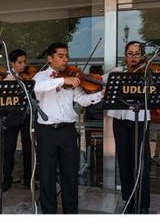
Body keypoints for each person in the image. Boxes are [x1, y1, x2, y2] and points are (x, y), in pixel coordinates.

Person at [34, 42, 102, 213]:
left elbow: (81, 99)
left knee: (70, 175)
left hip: (68, 131)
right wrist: (62, 80)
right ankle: (49, 213)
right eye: (61, 56)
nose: (65, 59)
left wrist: (101, 94)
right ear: (50, 58)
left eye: (67, 56)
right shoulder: (40, 77)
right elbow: (36, 88)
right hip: (47, 132)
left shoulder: (72, 77)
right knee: (47, 175)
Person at [104, 41, 155, 213]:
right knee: (124, 161)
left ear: (142, 55)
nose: (133, 57)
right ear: (125, 55)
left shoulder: (147, 71)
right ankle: (129, 199)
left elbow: (156, 89)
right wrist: (83, 77)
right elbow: (101, 82)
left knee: (140, 163)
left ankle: (144, 203)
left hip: (140, 120)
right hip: (120, 120)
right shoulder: (117, 72)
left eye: (137, 53)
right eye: (130, 53)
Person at [2, 49, 33, 191]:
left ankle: (28, 179)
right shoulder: (6, 77)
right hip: (11, 116)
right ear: (12, 63)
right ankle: (7, 178)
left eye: (24, 62)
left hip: (26, 116)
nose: (23, 65)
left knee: (28, 147)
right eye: (20, 62)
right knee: (9, 148)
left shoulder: (28, 77)